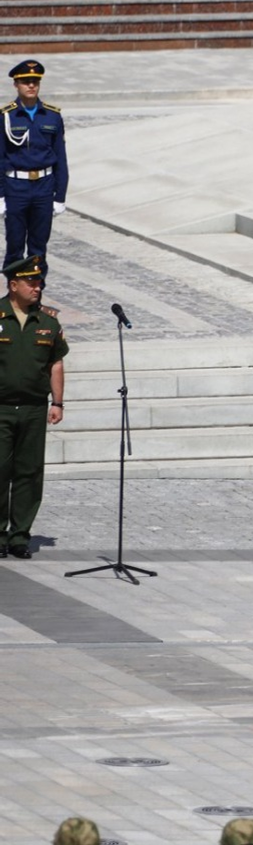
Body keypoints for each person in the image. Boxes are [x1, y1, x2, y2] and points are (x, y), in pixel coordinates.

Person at [0, 256, 66, 559]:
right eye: (31, 282)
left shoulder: (48, 322)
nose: (37, 287)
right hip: (1, 408)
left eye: (39, 282)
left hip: (34, 408)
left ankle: (19, 536)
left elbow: (55, 364)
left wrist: (58, 402)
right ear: (13, 285)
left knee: (29, 472)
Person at [1, 60, 69, 267]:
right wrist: (0, 195)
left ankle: (35, 297)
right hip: (16, 187)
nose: (31, 86)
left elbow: (60, 157)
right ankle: (12, 297)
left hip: (43, 186)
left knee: (39, 248)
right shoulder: (6, 116)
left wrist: (60, 196)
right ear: (16, 85)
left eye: (35, 82)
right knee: (14, 246)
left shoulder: (52, 115)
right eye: (25, 82)